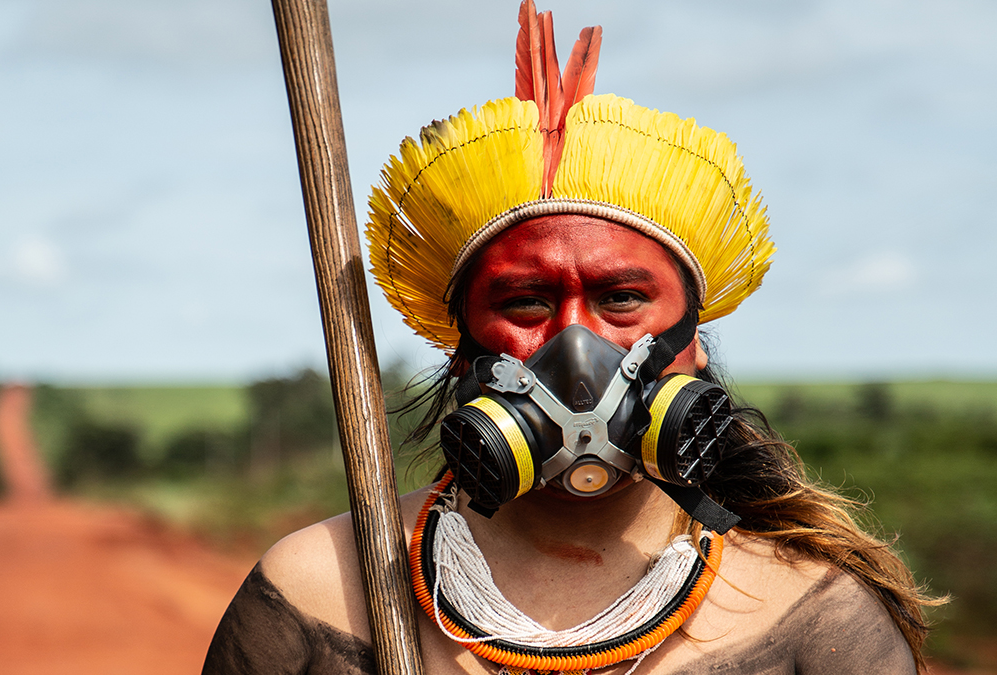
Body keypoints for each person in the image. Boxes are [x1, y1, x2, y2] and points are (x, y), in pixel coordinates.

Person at [204, 3, 937, 673]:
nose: (576, 347)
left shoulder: (811, 618)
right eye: (525, 301)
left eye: (622, 298)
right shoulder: (321, 592)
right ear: (461, 346)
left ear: (694, 341)